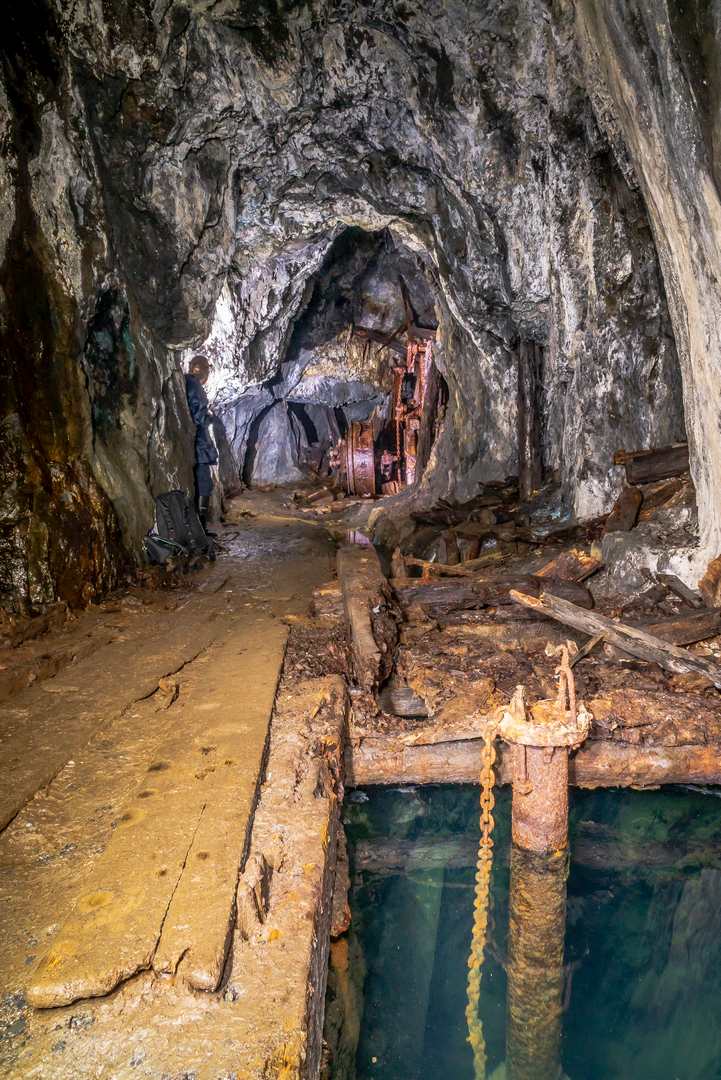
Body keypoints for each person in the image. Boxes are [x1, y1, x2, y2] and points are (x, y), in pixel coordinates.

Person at [185, 354, 218, 532]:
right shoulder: (194, 384)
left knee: (202, 484)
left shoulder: (189, 383)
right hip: (198, 446)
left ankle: (200, 528)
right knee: (204, 484)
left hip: (196, 446)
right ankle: (200, 529)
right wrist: (209, 418)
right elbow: (198, 413)